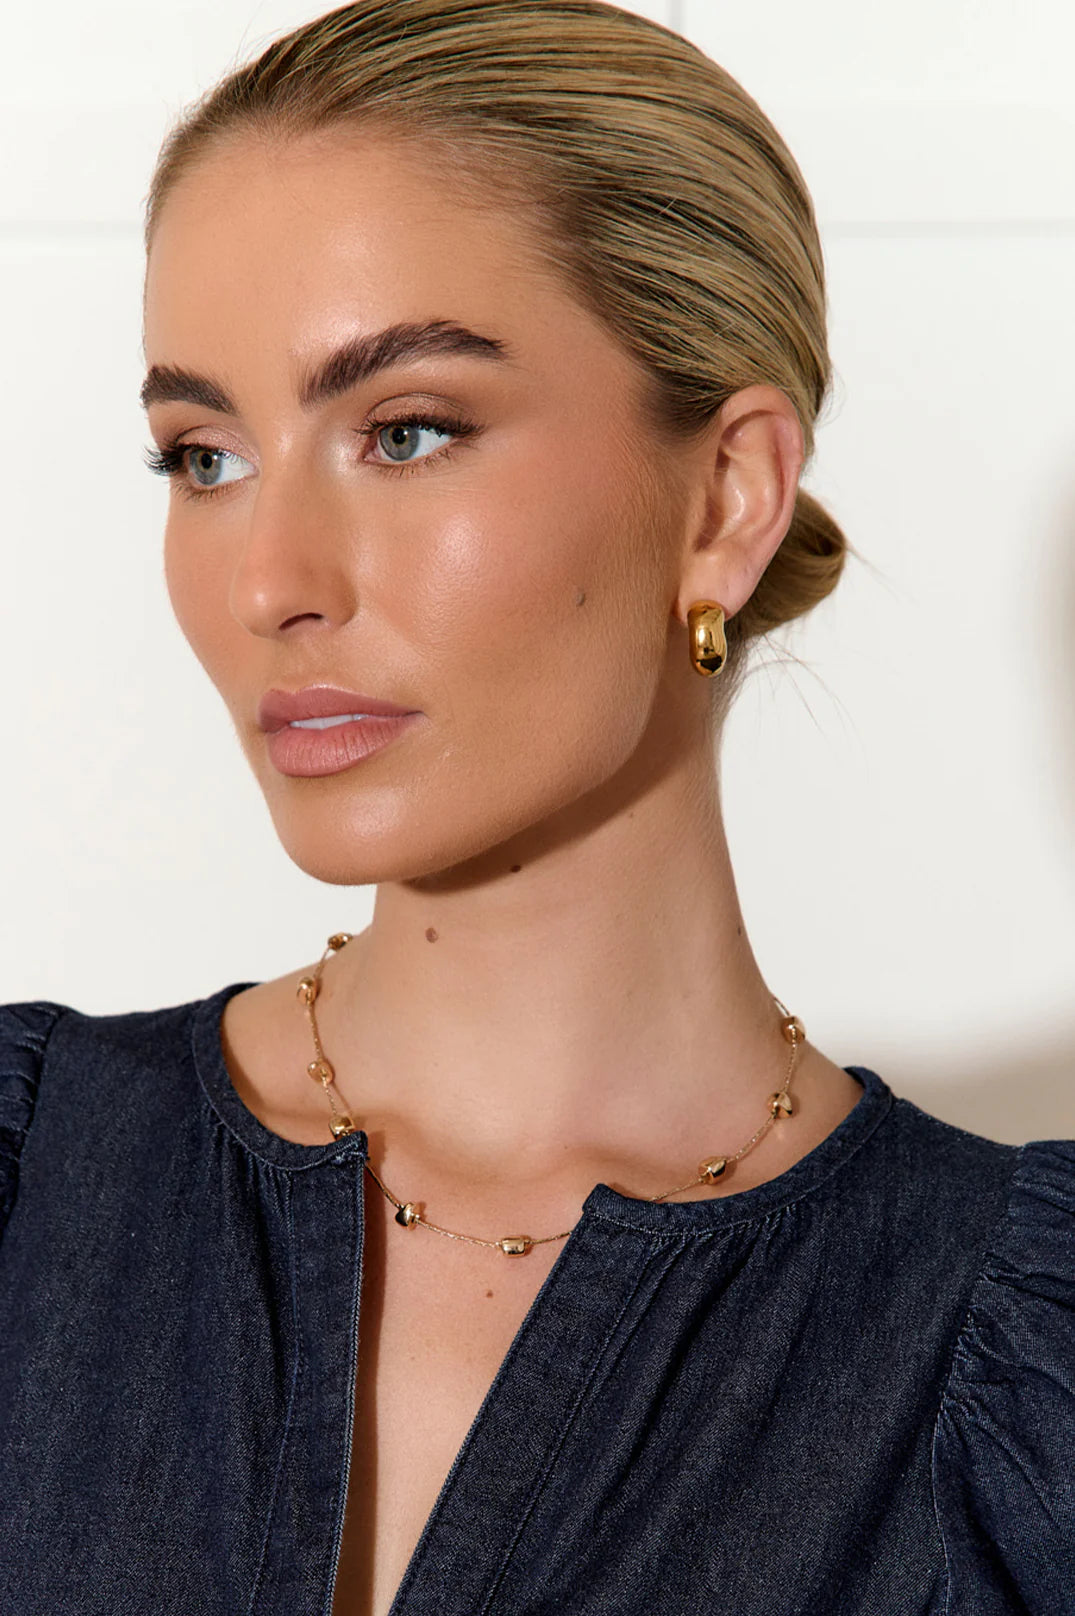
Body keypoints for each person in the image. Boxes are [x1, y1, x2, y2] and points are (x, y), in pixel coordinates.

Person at [1, 1, 1072, 1612]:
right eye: (204, 457)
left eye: (406, 432)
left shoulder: (1013, 1377)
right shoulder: (33, 1184)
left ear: (725, 501)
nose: (270, 581)